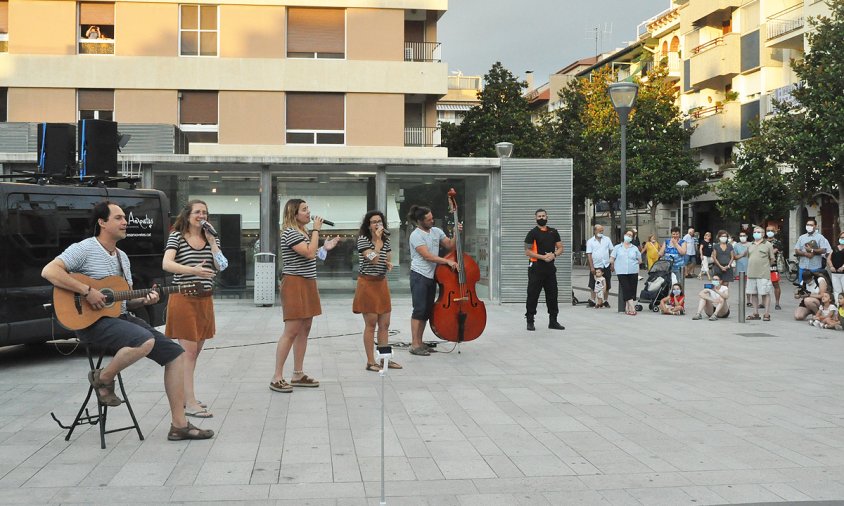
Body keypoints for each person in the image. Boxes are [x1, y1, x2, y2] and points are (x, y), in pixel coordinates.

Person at [41, 201, 213, 441]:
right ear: (102, 222)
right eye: (119, 218)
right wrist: (87, 290)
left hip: (118, 318)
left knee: (176, 354)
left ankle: (179, 425)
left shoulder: (123, 258)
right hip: (90, 323)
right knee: (144, 341)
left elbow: (123, 301)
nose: (125, 222)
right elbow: (49, 271)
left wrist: (144, 300)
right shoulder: (85, 248)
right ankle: (103, 378)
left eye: (125, 218)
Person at [162, 200, 227, 418]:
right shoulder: (177, 236)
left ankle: (184, 396)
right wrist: (194, 271)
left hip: (204, 300)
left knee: (195, 353)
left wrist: (213, 242)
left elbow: (222, 265)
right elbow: (167, 264)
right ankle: (189, 402)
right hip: (184, 298)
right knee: (187, 353)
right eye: (198, 212)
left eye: (205, 212)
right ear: (188, 215)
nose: (202, 215)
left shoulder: (211, 238)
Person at [270, 199, 339, 393]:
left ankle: (298, 373)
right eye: (304, 210)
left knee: (305, 327)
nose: (309, 213)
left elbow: (310, 254)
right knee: (291, 329)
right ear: (294, 214)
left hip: (308, 281)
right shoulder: (291, 232)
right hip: (294, 282)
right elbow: (308, 254)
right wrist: (317, 230)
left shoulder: (303, 232)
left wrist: (325, 248)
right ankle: (277, 376)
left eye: (308, 209)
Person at [353, 210, 401, 372]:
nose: (377, 224)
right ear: (368, 225)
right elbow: (373, 259)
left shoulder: (385, 240)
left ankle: (384, 359)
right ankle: (370, 361)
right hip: (367, 283)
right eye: (374, 221)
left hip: (381, 283)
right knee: (371, 324)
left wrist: (388, 263)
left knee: (385, 324)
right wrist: (378, 242)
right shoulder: (363, 240)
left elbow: (385, 259)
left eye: (379, 221)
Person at [408, 205, 459, 355]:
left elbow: (450, 245)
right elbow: (427, 256)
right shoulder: (415, 235)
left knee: (426, 310)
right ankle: (414, 344)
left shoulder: (436, 231)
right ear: (420, 221)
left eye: (432, 218)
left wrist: (456, 234)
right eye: (429, 219)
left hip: (431, 276)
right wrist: (447, 262)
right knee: (419, 310)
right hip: (419, 275)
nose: (432, 221)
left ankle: (420, 342)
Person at [524, 209, 565, 331]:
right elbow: (527, 251)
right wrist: (543, 257)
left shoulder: (553, 232)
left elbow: (560, 247)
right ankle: (530, 321)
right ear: (535, 218)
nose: (541, 218)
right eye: (539, 216)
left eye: (543, 216)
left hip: (550, 269)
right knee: (533, 295)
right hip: (536, 268)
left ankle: (553, 321)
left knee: (552, 295)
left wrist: (554, 255)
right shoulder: (532, 233)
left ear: (547, 217)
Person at [745, 226, 776, 321]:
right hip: (751, 273)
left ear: (763, 234)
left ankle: (766, 314)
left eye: (758, 232)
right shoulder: (750, 244)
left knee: (765, 293)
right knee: (753, 293)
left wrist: (764, 266)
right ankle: (755, 313)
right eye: (755, 232)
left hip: (763, 274)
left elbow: (772, 259)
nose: (756, 233)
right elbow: (749, 257)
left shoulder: (768, 244)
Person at [610, 229, 642, 316]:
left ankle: (627, 308)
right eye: (628, 234)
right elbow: (612, 258)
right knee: (626, 288)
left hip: (633, 270)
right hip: (621, 271)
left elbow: (640, 260)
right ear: (624, 235)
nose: (629, 237)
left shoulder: (634, 248)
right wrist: (612, 265)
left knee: (632, 289)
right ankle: (632, 307)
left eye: (631, 236)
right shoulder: (617, 247)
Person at [794, 218, 831, 285]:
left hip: (815, 267)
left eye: (811, 225)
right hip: (803, 267)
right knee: (802, 286)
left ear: (815, 226)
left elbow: (823, 250)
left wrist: (812, 250)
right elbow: (796, 250)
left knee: (815, 286)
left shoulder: (820, 237)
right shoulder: (801, 237)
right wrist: (805, 253)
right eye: (807, 225)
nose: (809, 226)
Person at [586, 225, 613, 307]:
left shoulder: (607, 239)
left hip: (606, 264)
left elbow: (612, 251)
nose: (601, 232)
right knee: (593, 283)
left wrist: (612, 263)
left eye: (602, 231)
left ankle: (605, 300)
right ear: (595, 231)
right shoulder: (590, 241)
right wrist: (591, 267)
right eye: (599, 231)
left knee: (607, 283)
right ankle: (593, 300)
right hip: (596, 265)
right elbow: (589, 255)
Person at [766, 225, 784, 310]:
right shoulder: (763, 242)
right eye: (768, 230)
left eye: (771, 230)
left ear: (775, 232)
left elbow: (772, 253)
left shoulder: (778, 242)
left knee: (775, 284)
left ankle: (777, 303)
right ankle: (763, 302)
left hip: (773, 266)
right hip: (763, 266)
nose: (769, 232)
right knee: (763, 284)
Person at [827, 230, 844, 303]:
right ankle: (838, 306)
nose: (842, 239)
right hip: (835, 273)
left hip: (843, 273)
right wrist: (831, 266)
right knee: (837, 291)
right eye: (841, 237)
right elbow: (829, 259)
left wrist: (843, 267)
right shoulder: (834, 248)